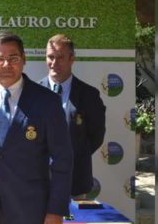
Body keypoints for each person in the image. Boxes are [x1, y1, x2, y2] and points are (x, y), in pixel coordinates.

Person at [0, 30, 73, 224]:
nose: (6, 65)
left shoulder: (47, 101)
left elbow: (63, 159)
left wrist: (56, 211)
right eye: (0, 59)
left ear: (24, 59)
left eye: (13, 58)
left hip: (30, 208)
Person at [37, 34, 106, 198]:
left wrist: (71, 158)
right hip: (38, 182)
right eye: (50, 57)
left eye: (60, 57)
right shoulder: (33, 92)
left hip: (75, 182)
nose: (54, 63)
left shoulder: (89, 95)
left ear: (72, 59)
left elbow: (96, 136)